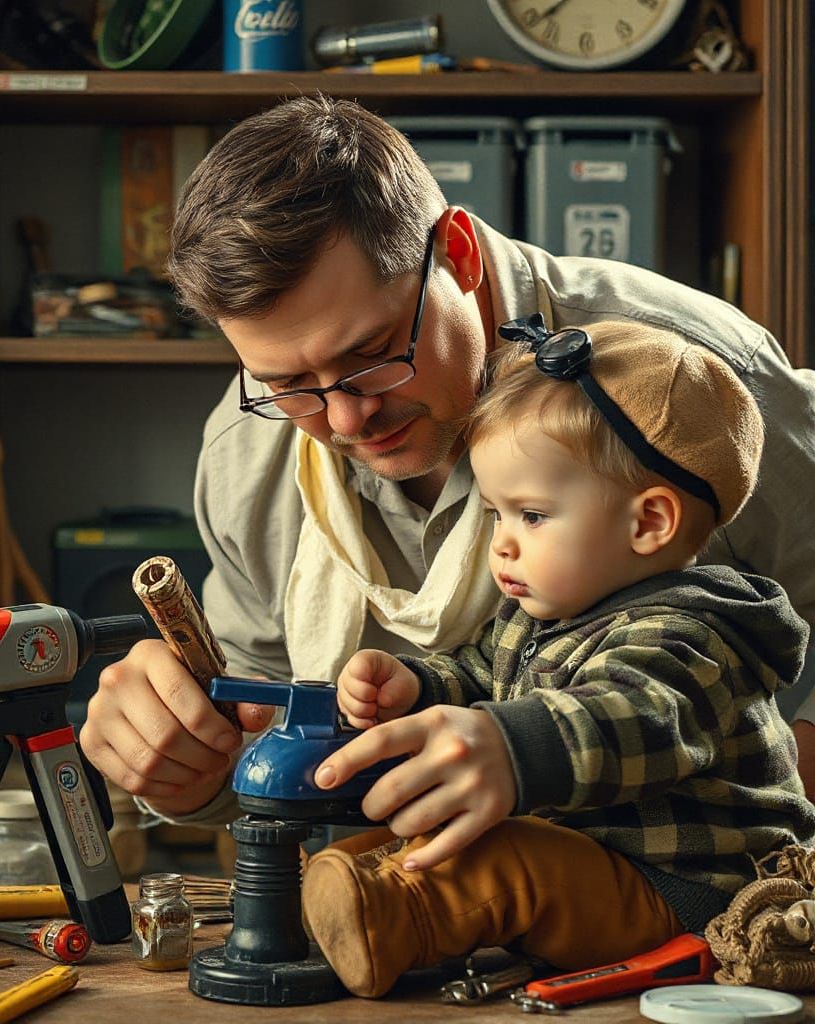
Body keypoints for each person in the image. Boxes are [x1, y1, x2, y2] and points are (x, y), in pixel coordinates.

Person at [78, 94, 815, 828]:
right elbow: (260, 741)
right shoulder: (248, 451)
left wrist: (755, 823)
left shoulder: (690, 388)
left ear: (457, 253)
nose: (345, 419)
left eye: (372, 354)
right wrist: (183, 766)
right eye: (289, 383)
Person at [299, 318, 815, 997]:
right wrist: (417, 687)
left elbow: (635, 719)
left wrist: (514, 744)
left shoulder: (690, 638)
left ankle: (395, 917)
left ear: (649, 522)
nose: (503, 543)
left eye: (533, 515)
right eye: (496, 513)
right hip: (592, 858)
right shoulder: (540, 615)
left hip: (690, 890)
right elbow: (478, 674)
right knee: (411, 831)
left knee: (507, 860)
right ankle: (341, 898)